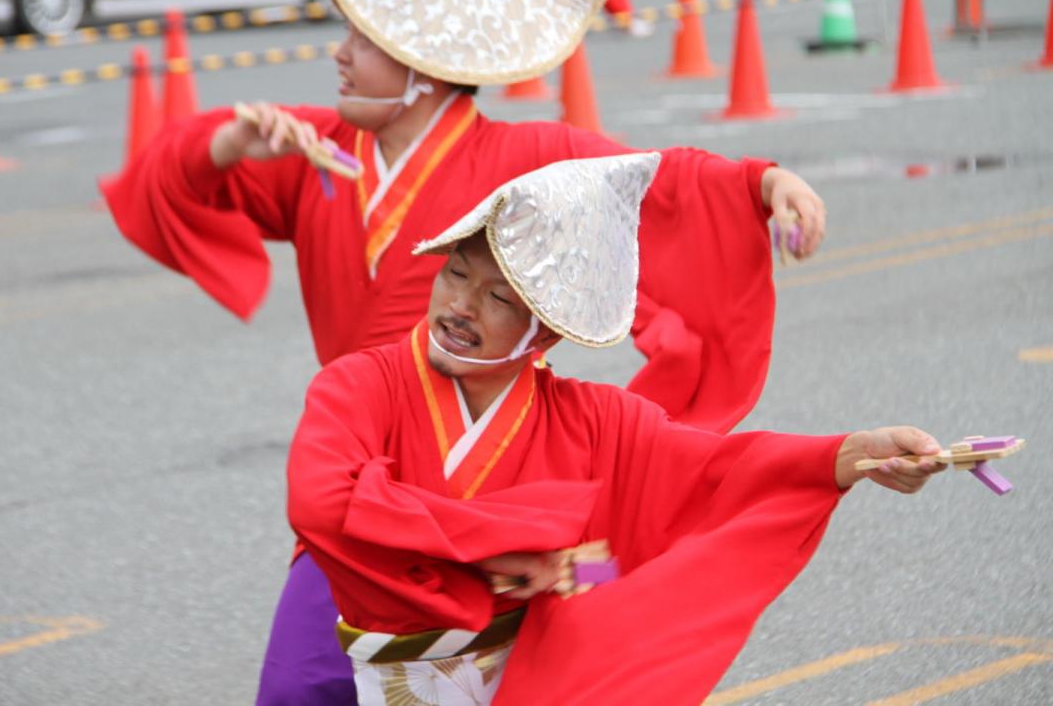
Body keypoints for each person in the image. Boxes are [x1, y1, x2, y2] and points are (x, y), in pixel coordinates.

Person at [99, 0, 827, 702]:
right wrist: (232, 146)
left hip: (499, 495)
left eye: (364, 42)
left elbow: (651, 180)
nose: (338, 55)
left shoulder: (520, 159)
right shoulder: (319, 154)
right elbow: (168, 177)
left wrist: (761, 183)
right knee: (299, 688)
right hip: (366, 491)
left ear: (424, 66)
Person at [287, 153, 945, 705]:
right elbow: (320, 501)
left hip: (531, 678)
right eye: (456, 271)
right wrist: (489, 557)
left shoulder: (598, 421)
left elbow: (710, 476)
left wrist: (849, 455)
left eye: (497, 297)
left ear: (543, 330)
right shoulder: (358, 386)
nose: (459, 305)